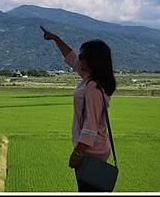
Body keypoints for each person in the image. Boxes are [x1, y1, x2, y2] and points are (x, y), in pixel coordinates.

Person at [40, 26, 116, 192]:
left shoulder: (92, 87)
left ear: (92, 61)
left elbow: (91, 126)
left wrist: (77, 153)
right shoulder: (91, 79)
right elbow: (71, 58)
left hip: (91, 152)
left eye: (82, 56)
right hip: (94, 149)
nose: (78, 59)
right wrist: (56, 39)